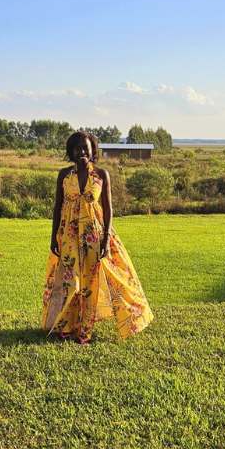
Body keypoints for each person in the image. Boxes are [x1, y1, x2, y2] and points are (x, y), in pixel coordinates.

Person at [41, 130, 154, 344]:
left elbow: (108, 209)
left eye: (85, 147)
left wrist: (106, 240)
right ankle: (65, 326)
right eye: (77, 148)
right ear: (71, 152)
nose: (81, 151)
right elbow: (57, 207)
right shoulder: (64, 175)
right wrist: (53, 236)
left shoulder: (101, 175)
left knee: (90, 284)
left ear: (93, 150)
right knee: (70, 281)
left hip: (94, 235)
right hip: (69, 236)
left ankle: (85, 332)